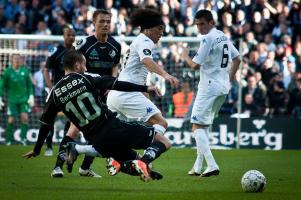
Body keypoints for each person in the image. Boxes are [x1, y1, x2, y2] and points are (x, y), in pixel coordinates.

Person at [23, 50, 170, 182]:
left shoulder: (54, 93)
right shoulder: (85, 78)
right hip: (113, 128)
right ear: (77, 65)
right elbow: (116, 84)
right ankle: (141, 163)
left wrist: (37, 149)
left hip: (96, 141)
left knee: (134, 163)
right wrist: (145, 87)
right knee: (163, 141)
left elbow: (46, 124)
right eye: (84, 64)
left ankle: (131, 165)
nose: (86, 68)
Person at [51, 9, 122, 178]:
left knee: (100, 134)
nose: (105, 24)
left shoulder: (116, 46)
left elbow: (114, 68)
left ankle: (85, 168)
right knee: (73, 130)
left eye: (108, 21)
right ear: (94, 24)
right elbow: (73, 67)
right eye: (101, 21)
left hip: (103, 95)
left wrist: (111, 86)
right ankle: (57, 166)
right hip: (84, 95)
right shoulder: (84, 43)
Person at [181, 10, 241, 177]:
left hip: (208, 87)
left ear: (211, 22)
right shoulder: (222, 35)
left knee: (196, 126)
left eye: (202, 23)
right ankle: (198, 166)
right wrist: (229, 78)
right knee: (203, 126)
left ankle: (212, 164)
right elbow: (238, 59)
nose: (199, 27)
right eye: (197, 24)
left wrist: (184, 55)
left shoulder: (207, 38)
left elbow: (194, 65)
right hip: (222, 87)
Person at [107, 8, 178, 141]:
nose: (162, 32)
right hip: (127, 94)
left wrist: (146, 98)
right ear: (148, 29)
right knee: (161, 123)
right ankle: (147, 158)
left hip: (117, 94)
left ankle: (79, 148)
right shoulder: (145, 41)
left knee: (116, 137)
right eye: (160, 28)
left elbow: (139, 76)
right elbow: (146, 60)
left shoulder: (138, 42)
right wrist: (165, 74)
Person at [43, 26, 75, 171]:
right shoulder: (56, 50)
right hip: (56, 89)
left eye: (73, 35)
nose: (71, 37)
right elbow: (46, 69)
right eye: (68, 35)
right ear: (63, 36)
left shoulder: (76, 51)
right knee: (50, 118)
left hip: (71, 91)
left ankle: (66, 144)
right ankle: (48, 145)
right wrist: (50, 87)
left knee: (71, 119)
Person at [0, 54, 34, 146]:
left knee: (25, 118)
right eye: (15, 59)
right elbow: (2, 86)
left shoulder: (25, 71)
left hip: (23, 100)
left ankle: (23, 139)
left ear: (21, 60)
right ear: (12, 60)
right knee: (11, 120)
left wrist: (31, 96)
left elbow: (30, 86)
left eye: (18, 59)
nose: (17, 60)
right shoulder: (7, 72)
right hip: (12, 100)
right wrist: (0, 97)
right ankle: (8, 140)